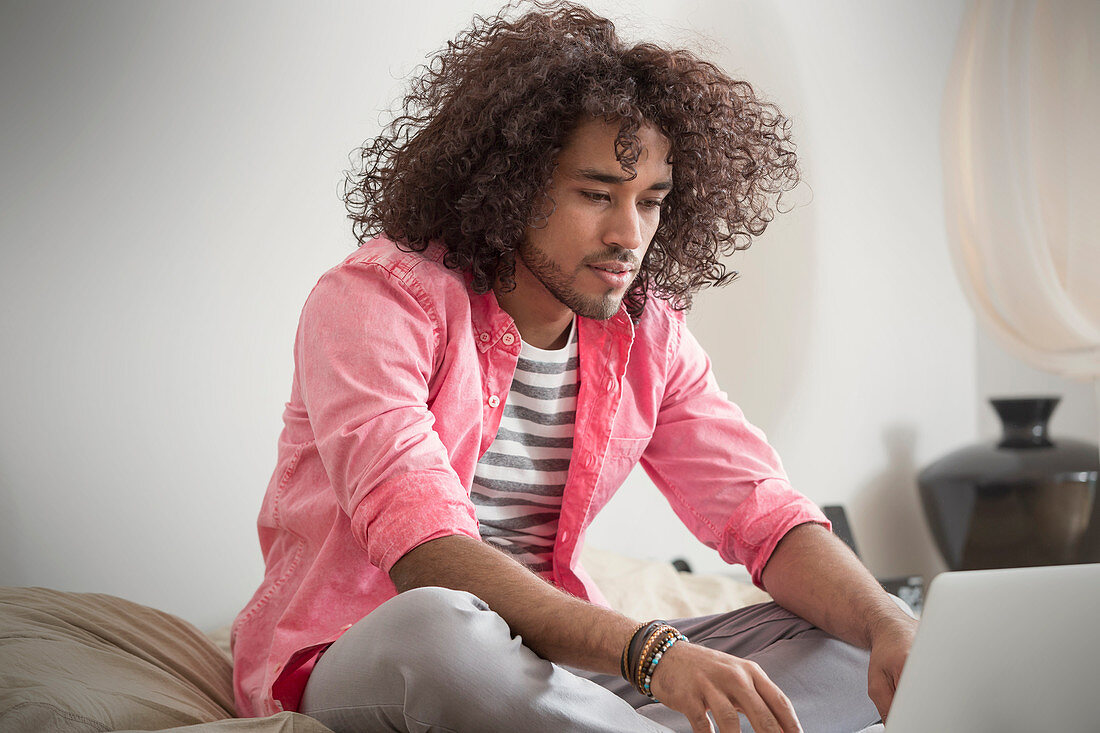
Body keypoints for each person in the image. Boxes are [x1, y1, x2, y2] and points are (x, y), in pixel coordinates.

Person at [232, 3, 918, 731]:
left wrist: (886, 621)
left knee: (851, 644)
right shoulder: (377, 302)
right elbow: (424, 548)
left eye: (651, 201)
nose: (629, 234)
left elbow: (761, 510)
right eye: (596, 194)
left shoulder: (647, 331)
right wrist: (650, 653)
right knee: (438, 628)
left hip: (564, 675)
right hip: (371, 652)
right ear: (512, 183)